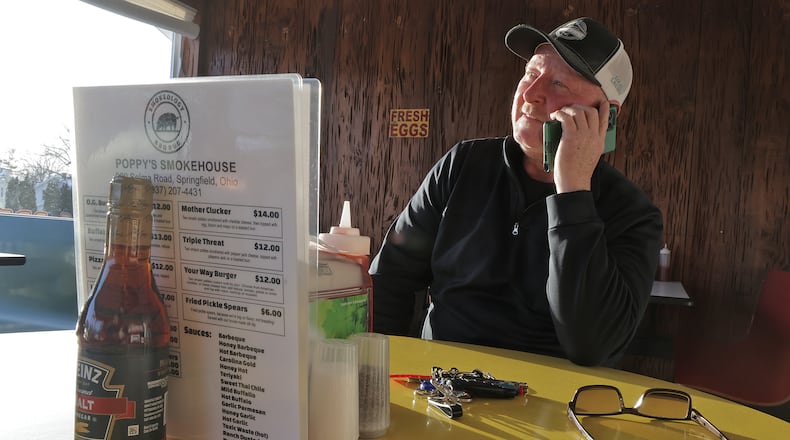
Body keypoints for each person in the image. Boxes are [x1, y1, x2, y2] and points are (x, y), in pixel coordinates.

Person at [369, 17, 663, 367]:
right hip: (441, 387)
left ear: (606, 118)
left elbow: (593, 346)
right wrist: (382, 375)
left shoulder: (631, 213)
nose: (530, 93)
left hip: (551, 406)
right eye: (530, 73)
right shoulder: (464, 164)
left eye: (558, 83)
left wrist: (572, 193)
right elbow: (390, 279)